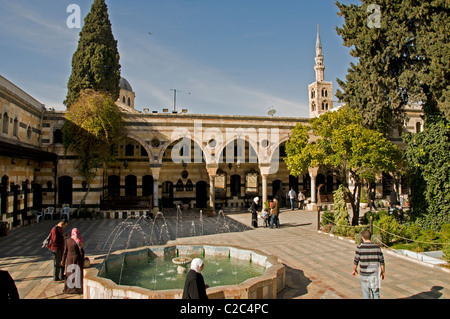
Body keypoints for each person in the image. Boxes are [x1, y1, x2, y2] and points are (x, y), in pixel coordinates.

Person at [352, 229, 385, 299]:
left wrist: (354, 269)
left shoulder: (359, 248)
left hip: (364, 275)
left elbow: (356, 260)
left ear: (362, 237)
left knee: (366, 295)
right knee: (376, 294)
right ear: (370, 237)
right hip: (374, 275)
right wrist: (383, 272)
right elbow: (381, 261)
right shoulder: (377, 248)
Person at [62, 228, 85, 294]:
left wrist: (63, 260)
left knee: (69, 273)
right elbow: (82, 251)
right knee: (77, 273)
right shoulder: (79, 241)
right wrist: (82, 258)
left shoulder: (68, 241)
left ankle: (69, 289)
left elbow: (65, 252)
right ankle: (78, 290)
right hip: (77, 259)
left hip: (69, 258)